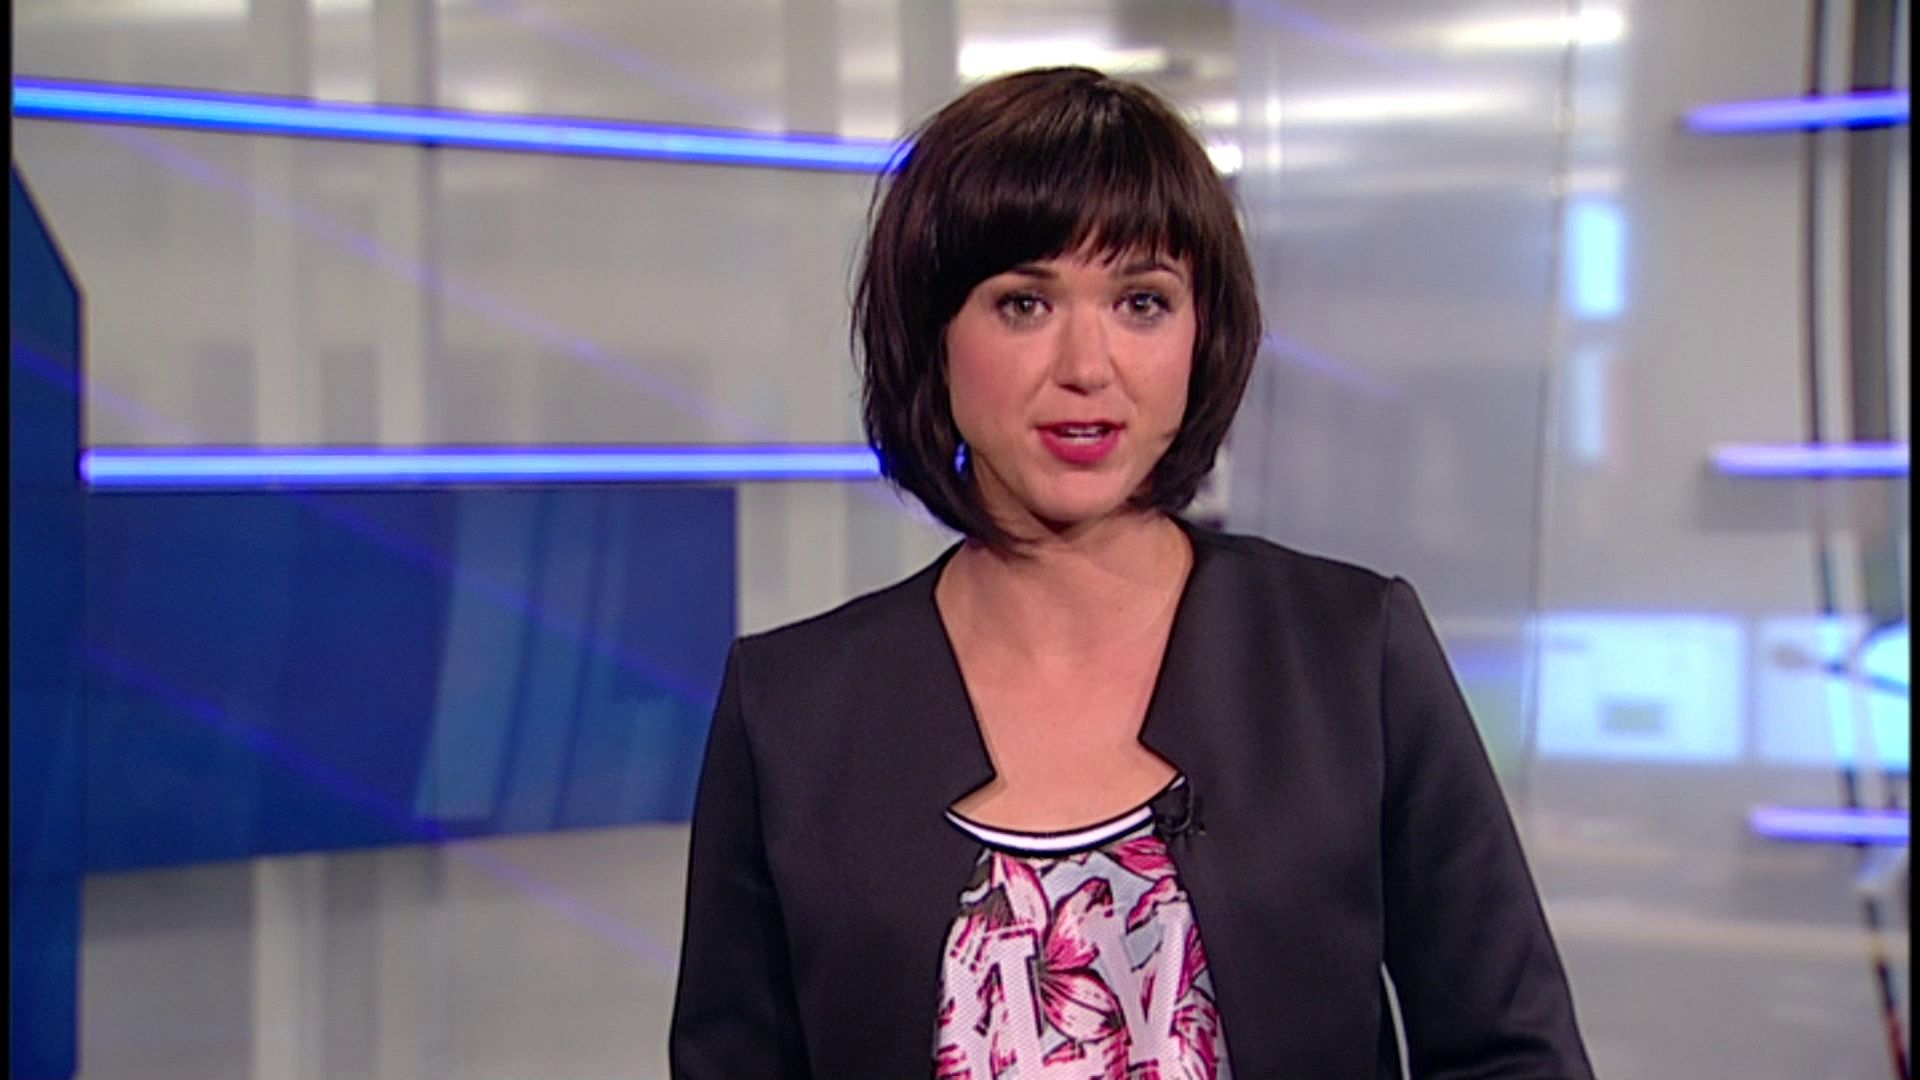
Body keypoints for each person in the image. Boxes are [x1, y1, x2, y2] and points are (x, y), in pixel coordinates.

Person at [669, 66, 1593, 1079]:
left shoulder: (1349, 654)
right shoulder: (791, 710)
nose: (1087, 365)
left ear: (1203, 333)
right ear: (933, 335)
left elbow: (1513, 1054)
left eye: (1142, 301)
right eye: (1024, 303)